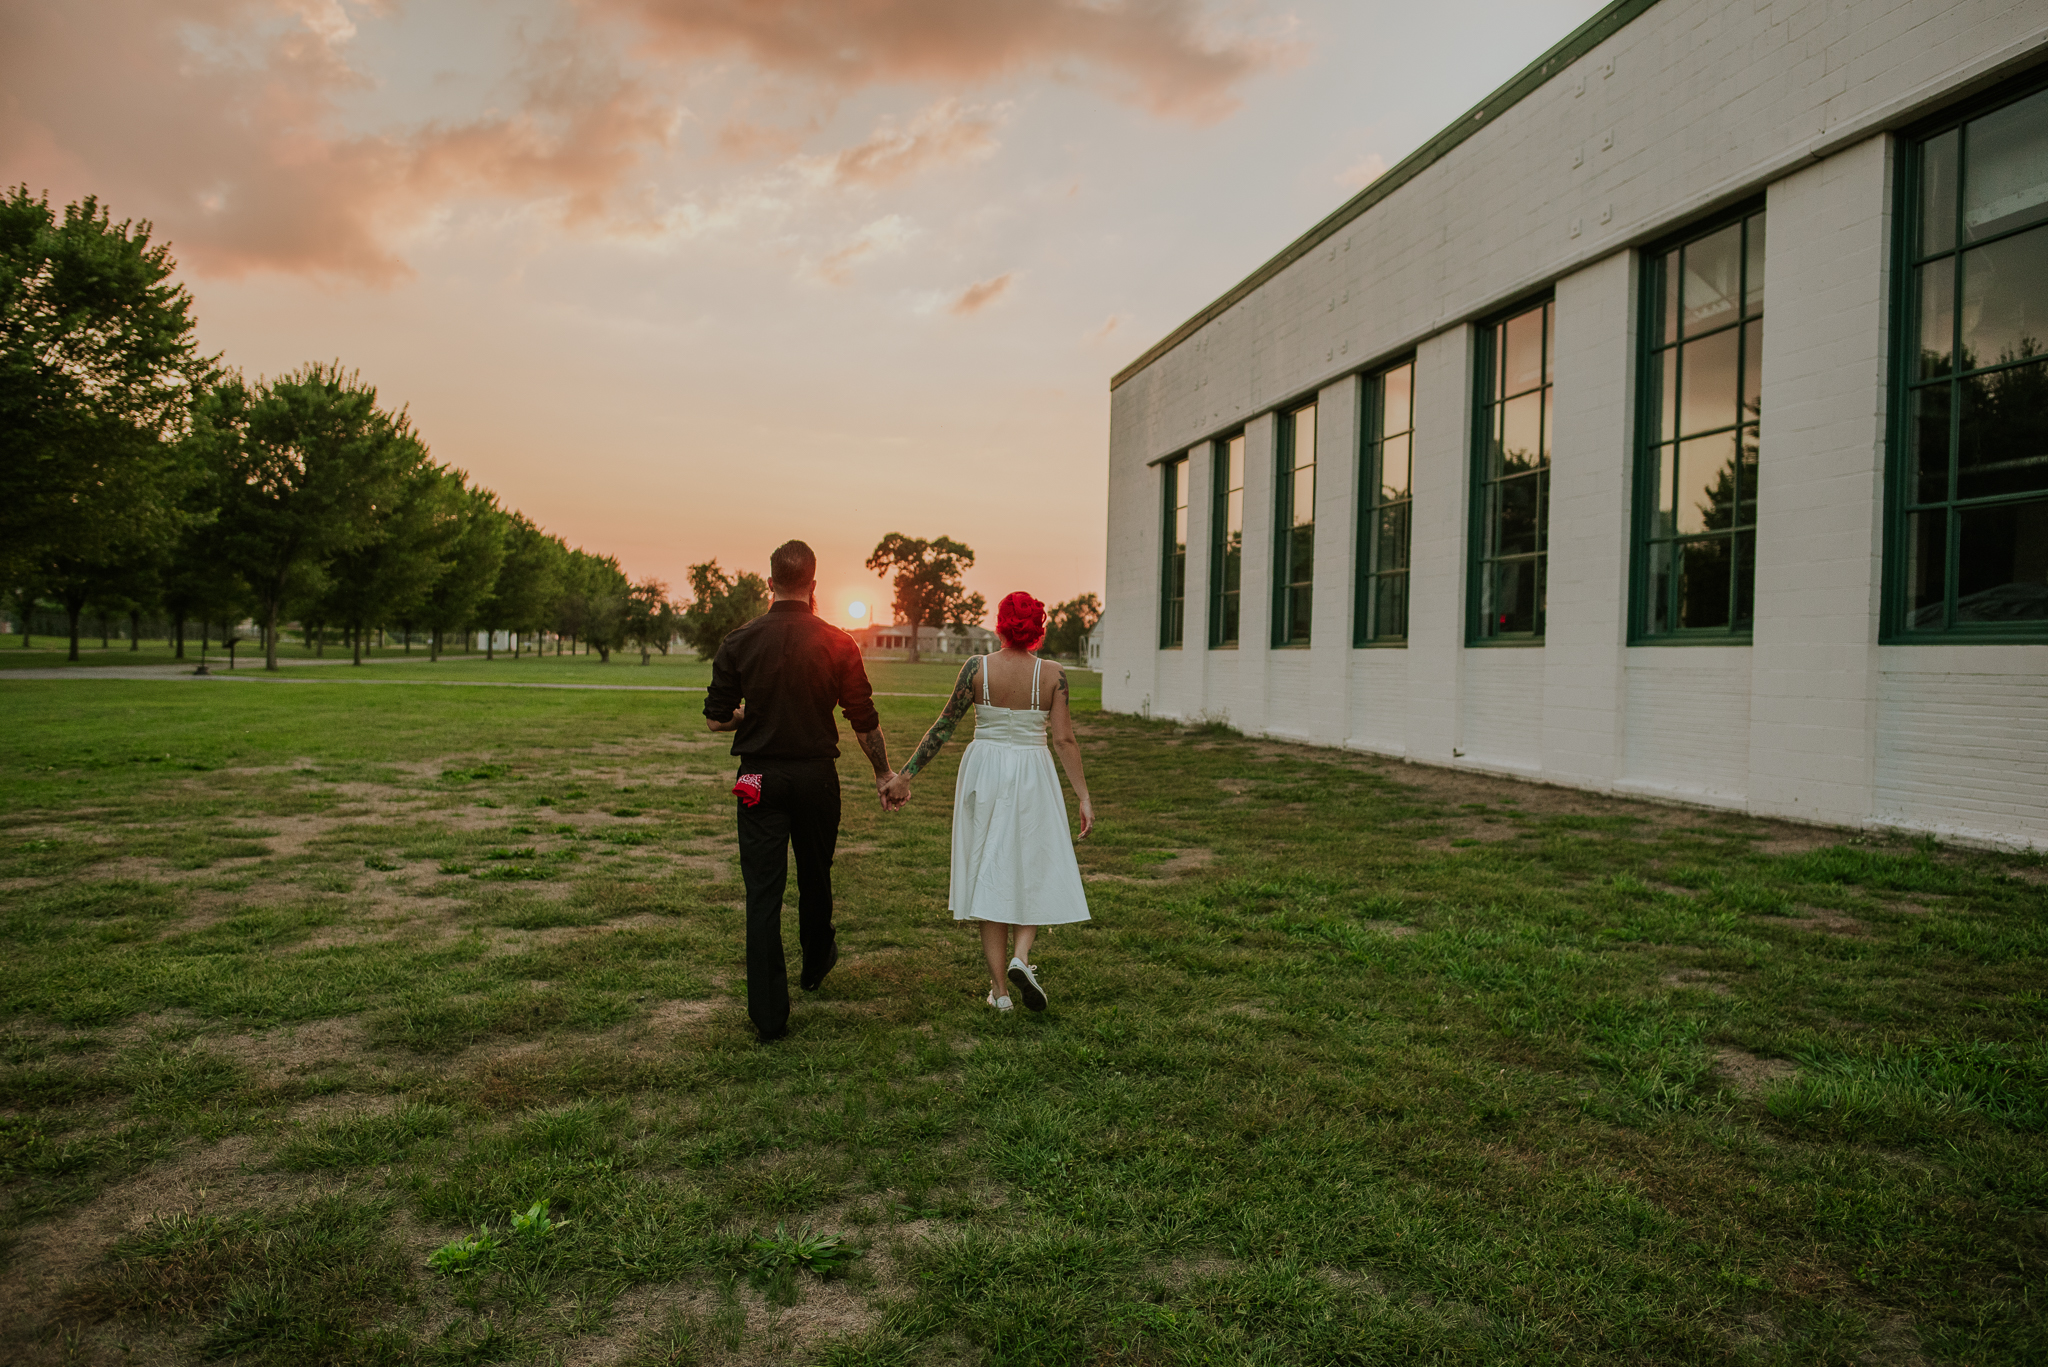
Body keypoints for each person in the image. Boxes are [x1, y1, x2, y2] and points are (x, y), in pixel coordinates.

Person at [705, 540, 898, 1043]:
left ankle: (769, 1016)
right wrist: (882, 774)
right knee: (816, 873)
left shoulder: (738, 641)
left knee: (762, 891)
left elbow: (716, 718)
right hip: (817, 778)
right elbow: (863, 719)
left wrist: (748, 717)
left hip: (755, 779)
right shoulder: (839, 642)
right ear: (814, 585)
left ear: (770, 583)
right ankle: (815, 962)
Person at [883, 591, 1093, 1012]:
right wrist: (1084, 798)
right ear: (1039, 629)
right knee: (1032, 861)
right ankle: (1022, 957)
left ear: (999, 625)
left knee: (987, 868)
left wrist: (904, 776)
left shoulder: (975, 669)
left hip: (985, 769)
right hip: (1033, 770)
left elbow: (944, 725)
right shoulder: (1054, 675)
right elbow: (1064, 739)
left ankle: (999, 992)